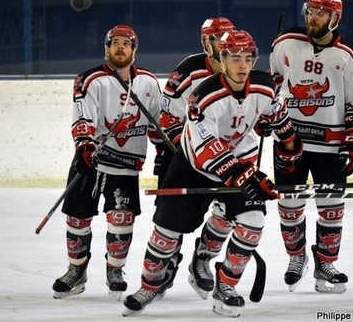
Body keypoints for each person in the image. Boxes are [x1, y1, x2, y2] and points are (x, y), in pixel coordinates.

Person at [122, 30, 302, 318]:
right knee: (167, 230)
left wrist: (291, 154)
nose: (242, 66)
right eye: (235, 58)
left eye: (248, 58)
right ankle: (149, 285)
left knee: (253, 222)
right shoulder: (201, 97)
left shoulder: (265, 86)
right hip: (193, 166)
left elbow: (279, 117)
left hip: (241, 163)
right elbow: (207, 149)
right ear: (222, 58)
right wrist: (247, 177)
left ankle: (226, 287)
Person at [52, 24, 163, 301]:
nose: (121, 47)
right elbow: (82, 117)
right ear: (107, 48)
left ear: (134, 51)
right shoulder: (89, 80)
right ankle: (76, 270)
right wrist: (85, 146)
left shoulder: (148, 83)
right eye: (115, 43)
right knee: (77, 218)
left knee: (121, 220)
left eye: (127, 43)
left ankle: (115, 270)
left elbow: (160, 124)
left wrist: (165, 153)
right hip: (91, 160)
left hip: (125, 164)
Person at [269, 0, 353, 293]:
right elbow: (273, 80)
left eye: (321, 13)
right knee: (289, 206)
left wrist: (352, 142)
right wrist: (267, 111)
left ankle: (325, 263)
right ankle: (296, 257)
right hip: (290, 141)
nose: (313, 17)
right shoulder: (285, 41)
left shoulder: (349, 55)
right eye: (310, 11)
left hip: (331, 145)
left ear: (335, 17)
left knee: (331, 208)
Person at [152, 17, 237, 298]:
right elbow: (166, 115)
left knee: (227, 215)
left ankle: (202, 259)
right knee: (171, 217)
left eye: (228, 37)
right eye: (217, 38)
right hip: (186, 157)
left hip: (225, 160)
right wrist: (187, 148)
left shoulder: (240, 68)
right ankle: (167, 263)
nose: (224, 43)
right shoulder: (188, 69)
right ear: (206, 43)